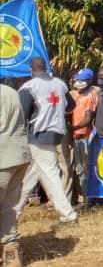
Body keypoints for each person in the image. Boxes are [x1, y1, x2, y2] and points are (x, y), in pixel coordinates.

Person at [14, 58, 77, 224]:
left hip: (39, 134)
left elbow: (22, 115)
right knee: (33, 173)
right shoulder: (60, 84)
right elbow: (71, 105)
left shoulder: (29, 87)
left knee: (50, 173)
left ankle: (68, 215)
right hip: (56, 132)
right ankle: (15, 210)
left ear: (31, 70)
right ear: (46, 68)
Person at [1, 78, 29, 265]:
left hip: (2, 157)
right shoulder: (11, 91)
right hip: (19, 155)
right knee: (7, 206)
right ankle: (11, 252)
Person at [67, 68, 98, 205]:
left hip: (86, 136)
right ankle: (84, 198)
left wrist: (73, 127)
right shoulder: (76, 94)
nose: (79, 82)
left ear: (90, 81)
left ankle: (89, 200)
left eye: (83, 80)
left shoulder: (92, 94)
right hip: (76, 136)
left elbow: (88, 118)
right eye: (78, 80)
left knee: (86, 168)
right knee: (79, 169)